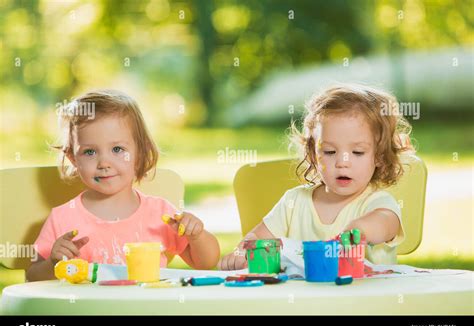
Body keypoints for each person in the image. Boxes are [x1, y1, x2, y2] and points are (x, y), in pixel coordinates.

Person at [27, 90, 220, 281]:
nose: (104, 163)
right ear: (73, 158)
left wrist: (197, 236)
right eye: (89, 152)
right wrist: (53, 263)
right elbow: (32, 276)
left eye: (117, 149)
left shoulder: (161, 213)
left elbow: (206, 262)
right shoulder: (62, 218)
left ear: (140, 152)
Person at [218, 83, 414, 270]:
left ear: (379, 156)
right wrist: (240, 252)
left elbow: (385, 224)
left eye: (357, 152)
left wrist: (361, 230)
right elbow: (256, 239)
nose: (342, 162)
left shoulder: (378, 203)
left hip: (366, 301)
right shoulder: (293, 202)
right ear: (313, 154)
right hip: (304, 301)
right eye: (329, 152)